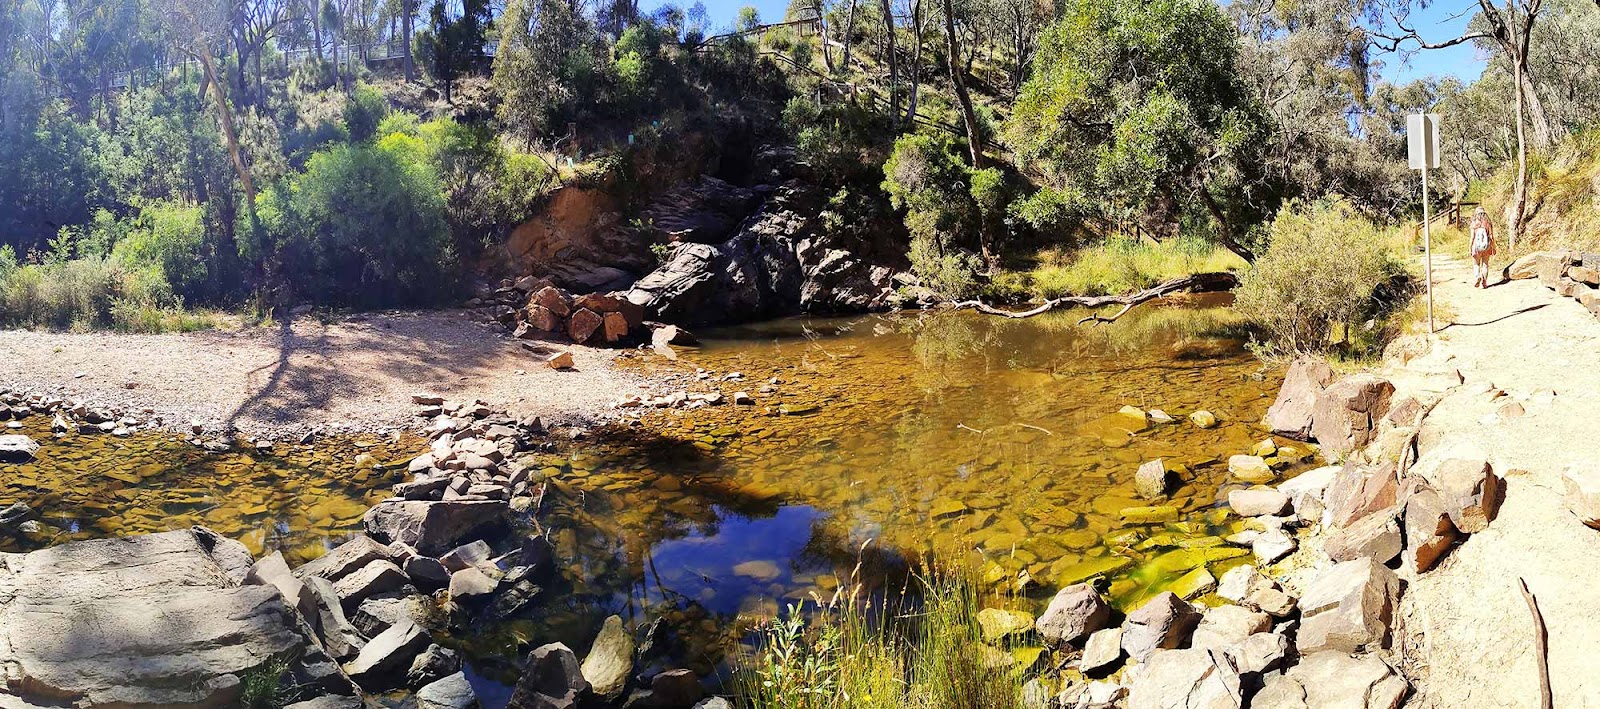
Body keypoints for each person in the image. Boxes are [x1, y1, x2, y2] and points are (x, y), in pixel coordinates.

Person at [1469, 207, 1496, 288]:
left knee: (1476, 264)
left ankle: (1477, 277)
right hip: (1486, 246)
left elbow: (1472, 237)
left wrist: (1470, 247)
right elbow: (1491, 236)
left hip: (1476, 247)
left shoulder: (1474, 223)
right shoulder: (1488, 222)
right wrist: (1493, 247)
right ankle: (1484, 283)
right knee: (1485, 265)